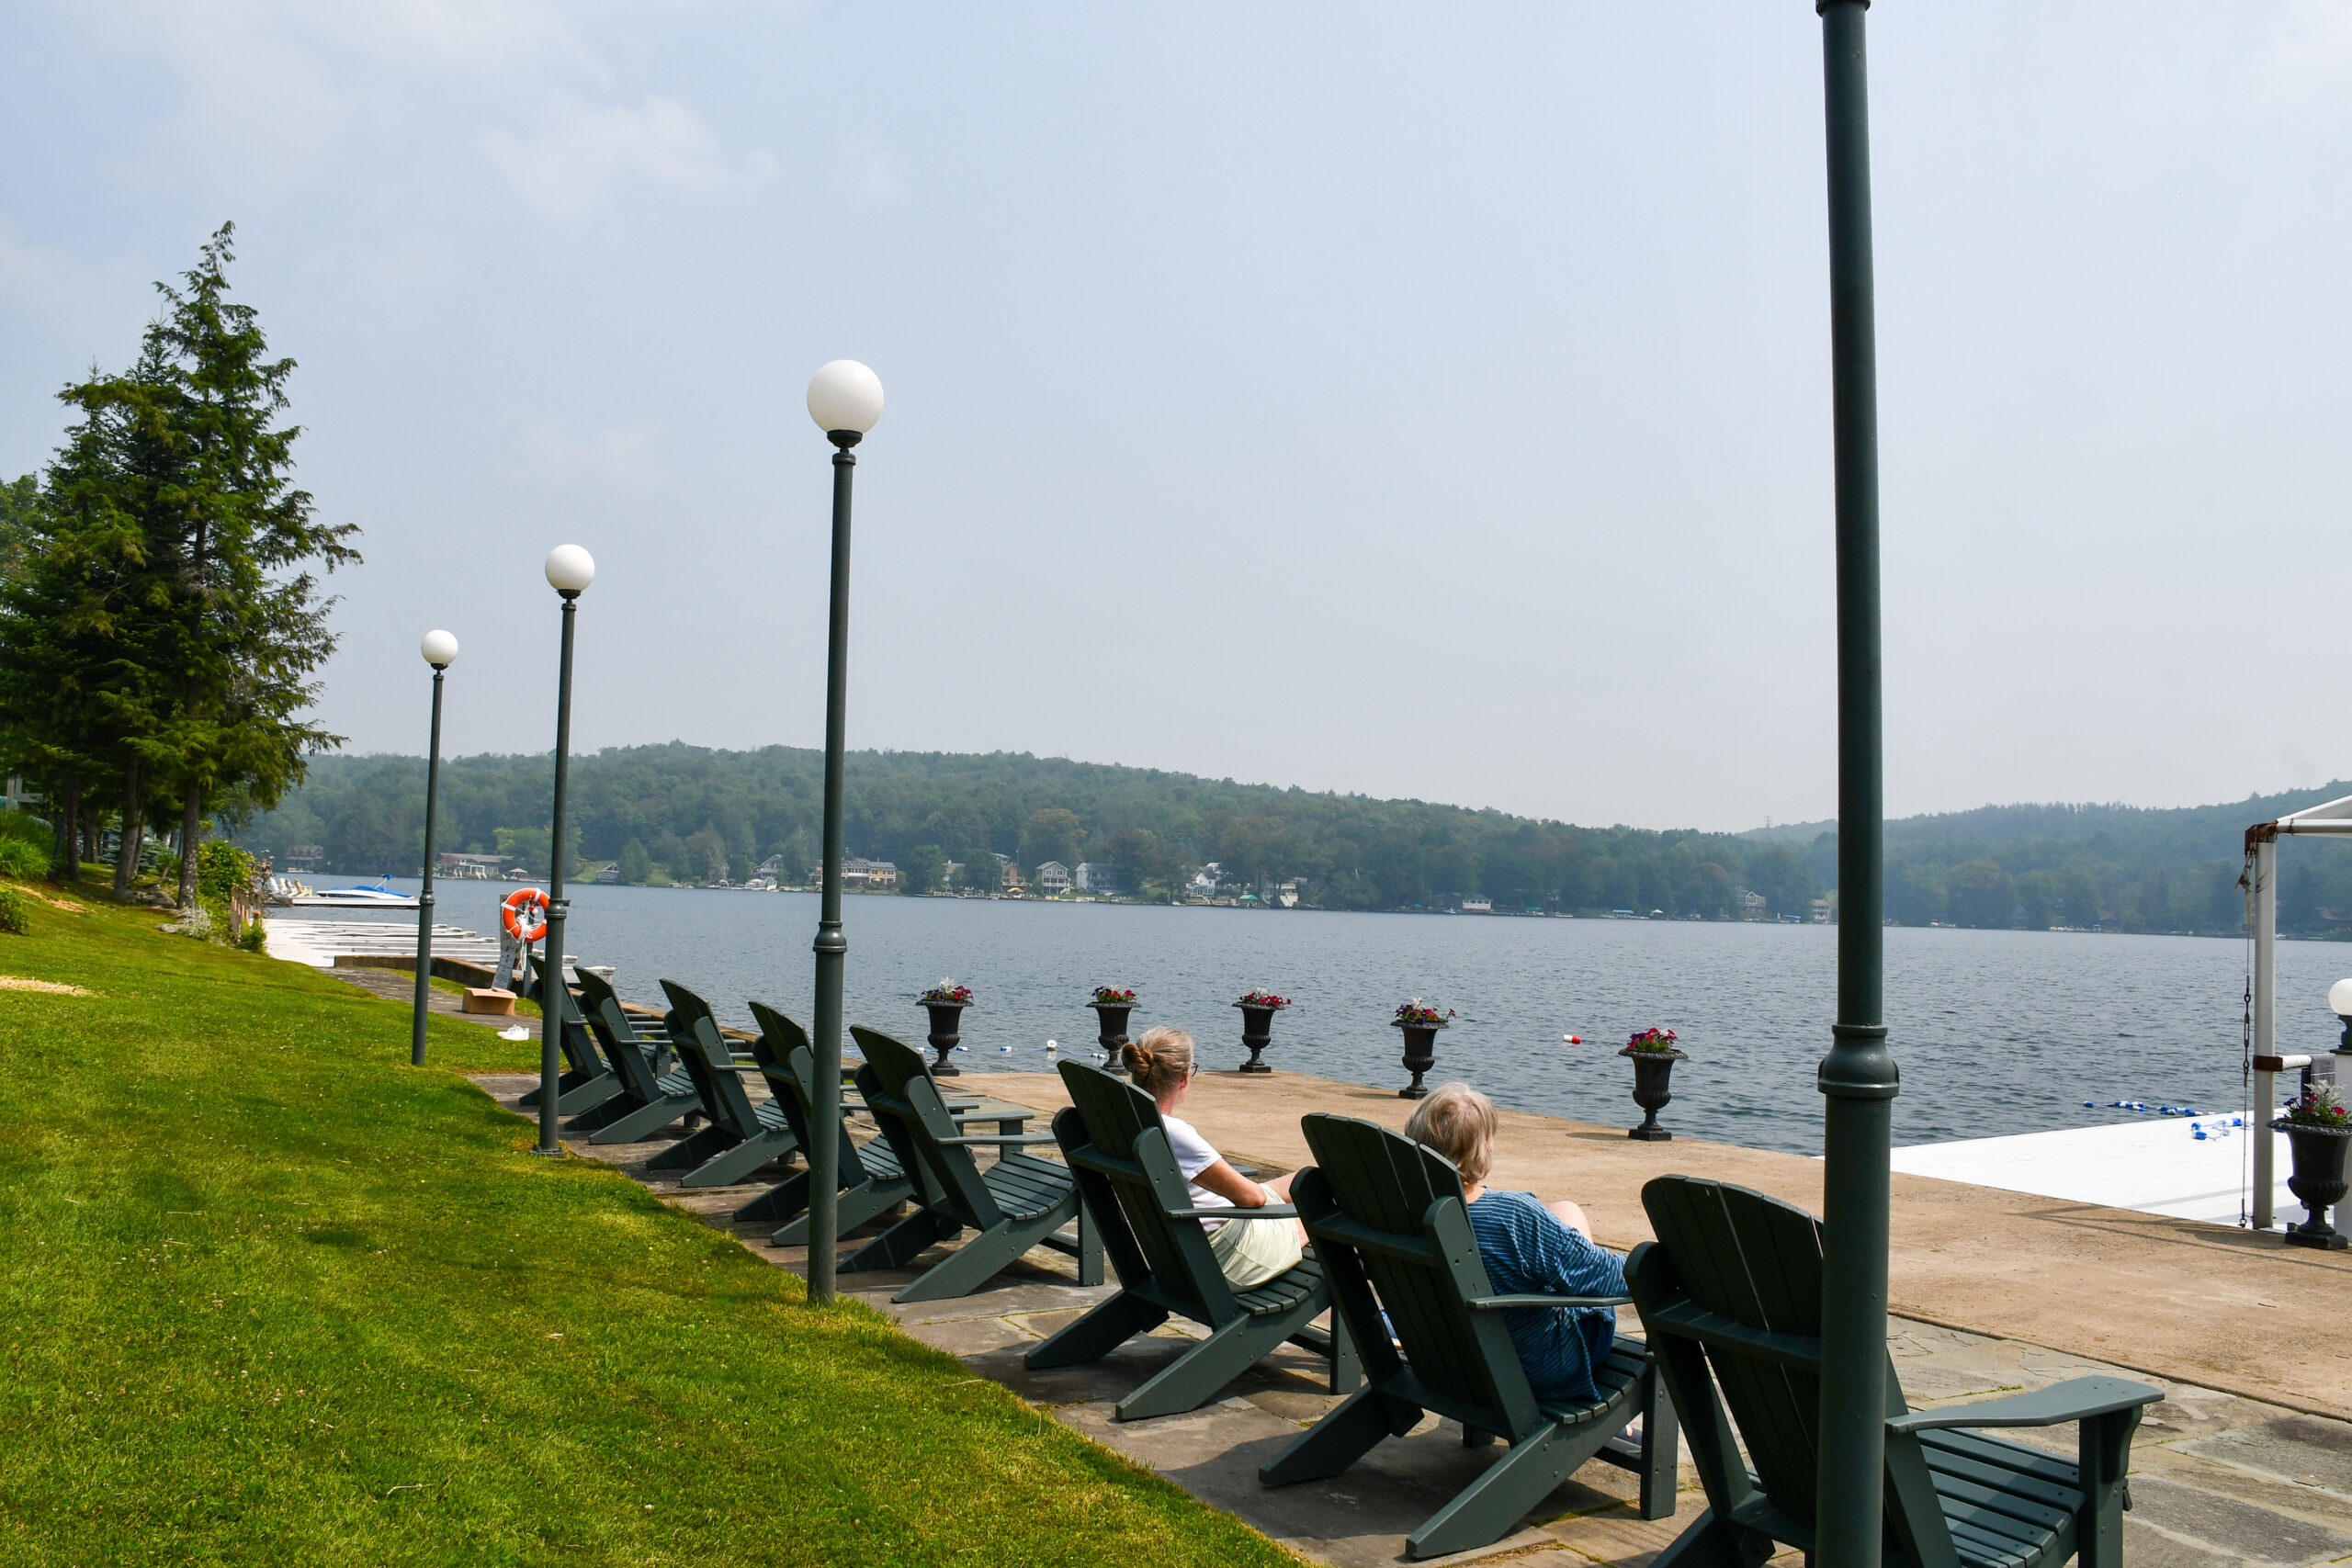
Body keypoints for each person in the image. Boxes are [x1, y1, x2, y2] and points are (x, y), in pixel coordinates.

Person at [1403, 1082, 1624, 1405]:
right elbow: (1605, 1277)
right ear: (1482, 1148)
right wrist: (1652, 1264)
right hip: (1530, 1367)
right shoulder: (1512, 1216)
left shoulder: (1399, 1206)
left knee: (1565, 1210)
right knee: (1572, 1240)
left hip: (1443, 1358)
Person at [1122, 1025, 1306, 1289]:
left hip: (1176, 1251)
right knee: (1321, 1216)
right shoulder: (1174, 1133)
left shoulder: (1125, 1119)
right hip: (1225, 1256)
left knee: (1309, 1176)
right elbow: (1253, 1199)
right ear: (1184, 1078)